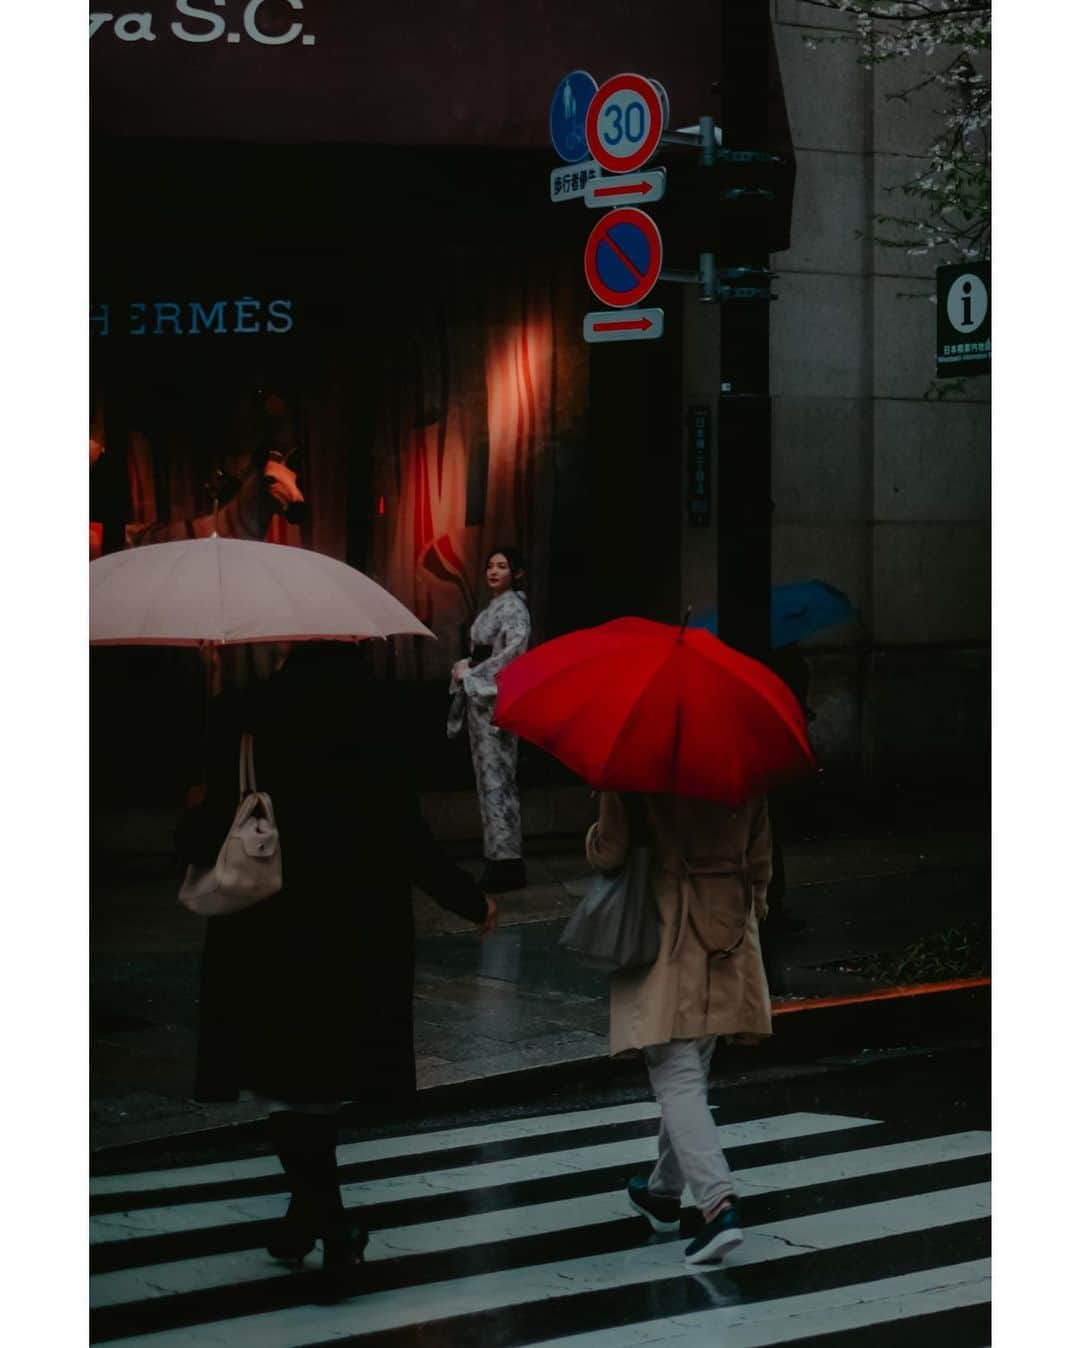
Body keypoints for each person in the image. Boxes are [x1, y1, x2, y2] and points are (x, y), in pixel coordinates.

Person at [177, 642, 496, 1299]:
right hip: (354, 932)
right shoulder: (374, 720)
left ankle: (326, 1219)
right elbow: (408, 834)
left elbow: (207, 827)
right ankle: (314, 1216)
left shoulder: (246, 715)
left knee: (287, 1086)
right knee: (312, 1086)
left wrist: (193, 812)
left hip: (269, 928)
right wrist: (469, 900)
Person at [585, 789, 772, 1265]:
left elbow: (610, 851)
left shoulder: (634, 769)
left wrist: (595, 831)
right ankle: (663, 1191)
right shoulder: (740, 766)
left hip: (664, 931)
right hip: (727, 932)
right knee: (694, 1066)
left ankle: (716, 1205)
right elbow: (761, 863)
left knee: (675, 1073)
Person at [447, 546, 532, 893]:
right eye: (490, 565)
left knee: (499, 779)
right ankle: (497, 857)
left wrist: (473, 673)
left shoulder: (514, 608)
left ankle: (506, 861)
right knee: (489, 779)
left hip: (496, 699)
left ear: (516, 573)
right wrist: (464, 668)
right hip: (482, 699)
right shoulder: (495, 607)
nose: (494, 571)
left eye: (502, 566)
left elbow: (513, 655)